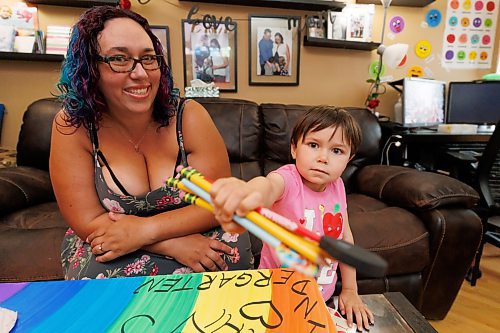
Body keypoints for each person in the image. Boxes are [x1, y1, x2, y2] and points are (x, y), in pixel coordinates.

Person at [50, 6, 253, 280]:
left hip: (197, 233)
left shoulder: (189, 117)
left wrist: (145, 231)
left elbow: (217, 204)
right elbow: (87, 220)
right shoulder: (72, 126)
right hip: (114, 241)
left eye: (148, 58)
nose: (141, 74)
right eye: (119, 59)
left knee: (225, 258)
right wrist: (170, 245)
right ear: (89, 68)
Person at [210, 106, 374, 331]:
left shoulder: (338, 187)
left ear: (349, 158)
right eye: (314, 145)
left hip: (319, 296)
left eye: (337, 151)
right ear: (295, 149)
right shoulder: (288, 179)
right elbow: (267, 186)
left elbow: (344, 238)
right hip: (274, 294)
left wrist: (350, 290)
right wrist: (249, 192)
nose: (323, 158)